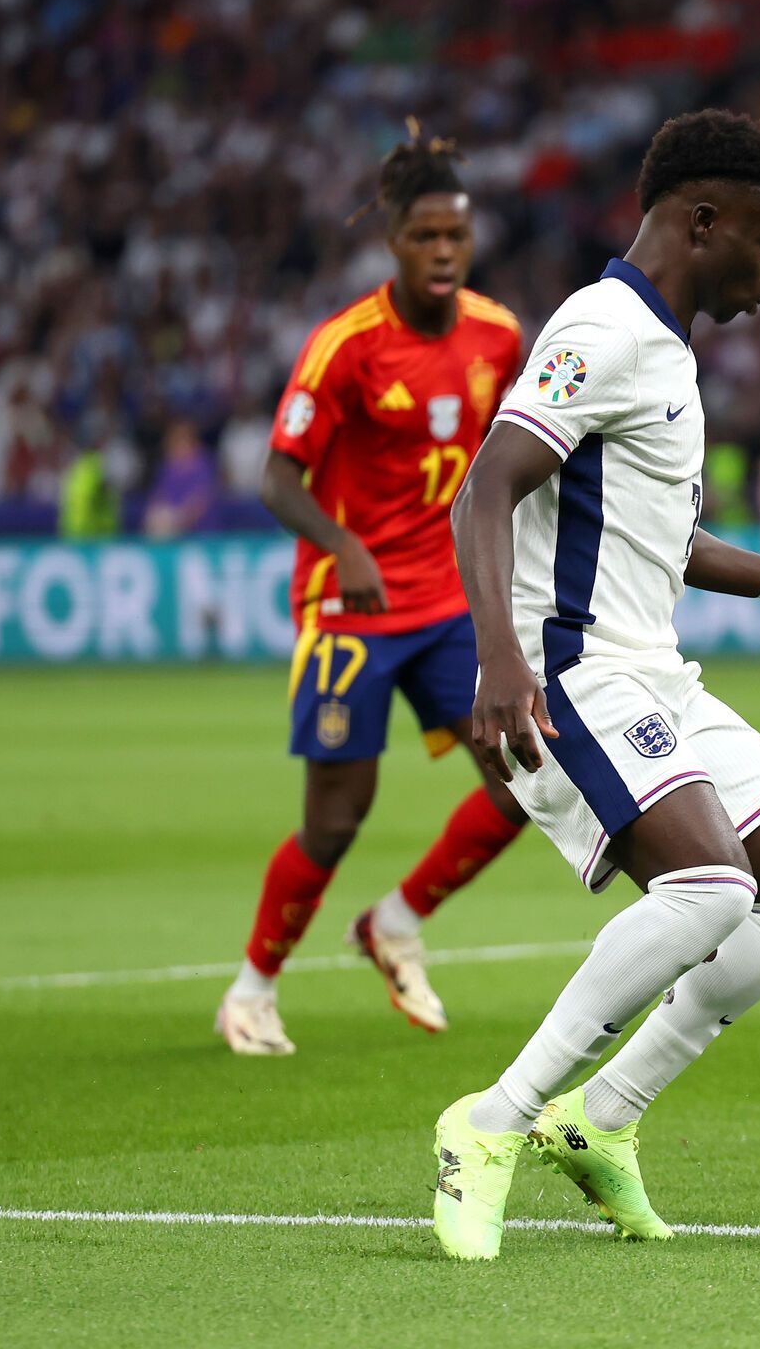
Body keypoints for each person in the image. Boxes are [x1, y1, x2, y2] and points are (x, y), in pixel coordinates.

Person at [431, 110, 760, 1260]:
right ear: (702, 221)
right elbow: (485, 488)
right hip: (569, 666)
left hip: (654, 669)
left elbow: (661, 539)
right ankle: (489, 1122)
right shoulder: (601, 328)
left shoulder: (668, 354)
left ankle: (602, 1118)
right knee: (708, 888)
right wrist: (499, 658)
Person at [215, 123, 528, 1056]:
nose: (442, 253)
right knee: (337, 818)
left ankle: (394, 921)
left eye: (456, 238)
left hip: (446, 604)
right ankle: (252, 989)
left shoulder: (499, 335)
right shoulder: (345, 346)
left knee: (523, 782)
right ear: (391, 240)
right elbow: (278, 477)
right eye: (424, 237)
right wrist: (341, 542)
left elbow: (513, 460)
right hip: (351, 610)